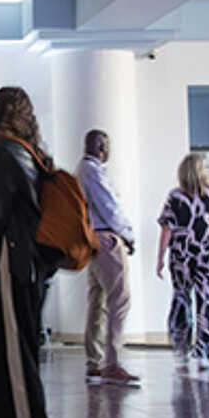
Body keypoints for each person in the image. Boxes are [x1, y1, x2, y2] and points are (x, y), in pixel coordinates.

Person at [0, 86, 60, 418]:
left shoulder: (8, 155)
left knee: (13, 357)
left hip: (15, 263)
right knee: (6, 354)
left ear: (2, 114)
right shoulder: (24, 152)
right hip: (25, 265)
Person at [157, 154, 209, 372]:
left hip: (182, 257)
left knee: (181, 299)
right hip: (208, 258)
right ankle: (205, 352)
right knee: (208, 302)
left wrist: (160, 258)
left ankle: (181, 349)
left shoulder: (175, 197)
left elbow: (166, 230)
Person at [76, 129, 139, 386]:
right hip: (106, 239)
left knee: (97, 300)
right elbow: (110, 208)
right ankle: (112, 363)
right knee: (119, 300)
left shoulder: (81, 170)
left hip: (92, 240)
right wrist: (128, 235)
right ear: (101, 147)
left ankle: (95, 361)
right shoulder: (93, 171)